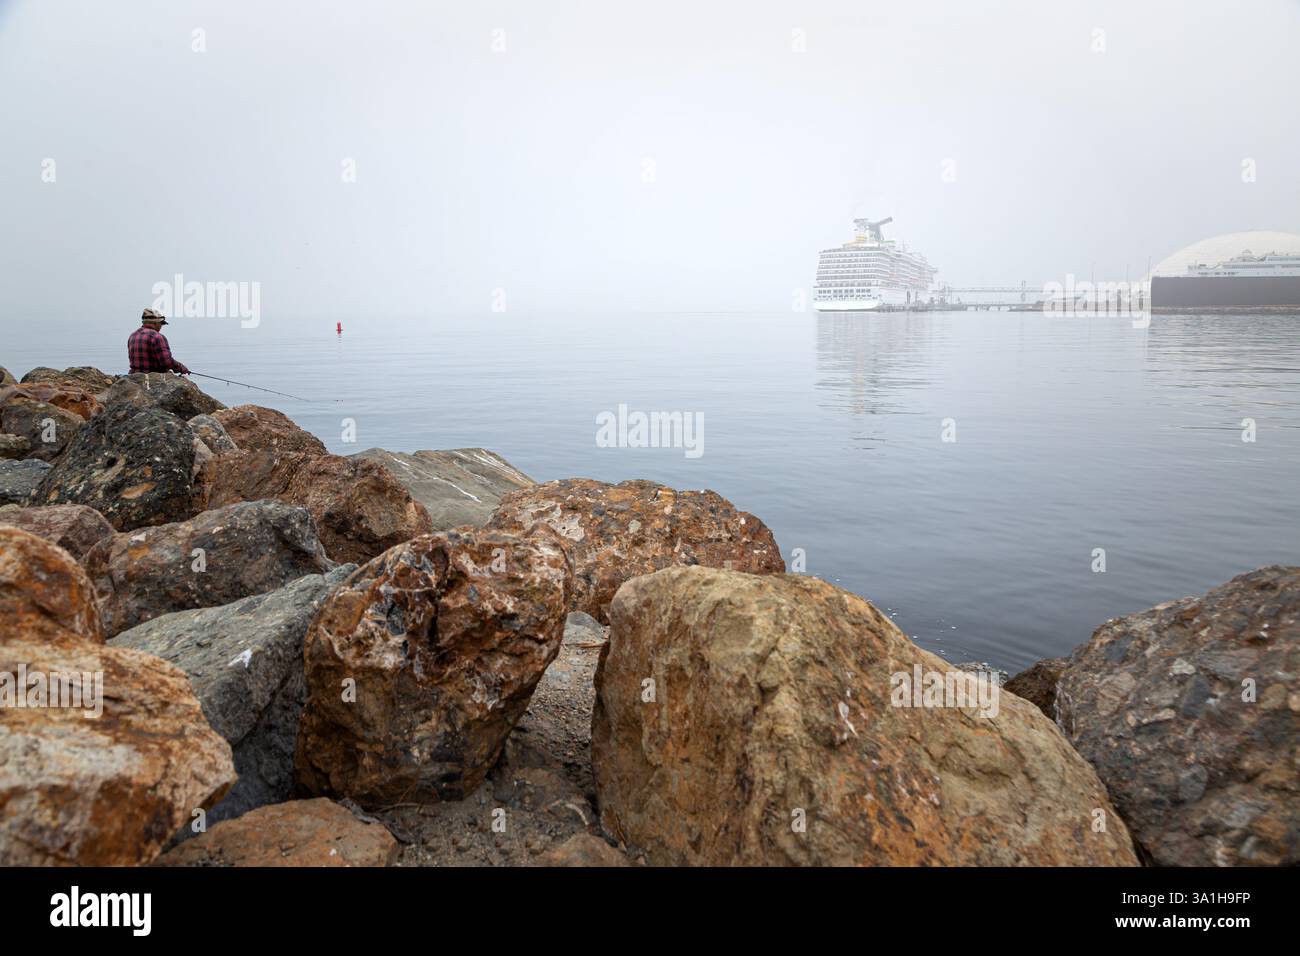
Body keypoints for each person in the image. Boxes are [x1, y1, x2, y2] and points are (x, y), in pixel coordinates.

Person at [127, 308, 190, 375]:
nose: (161, 326)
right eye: (161, 324)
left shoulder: (132, 336)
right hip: (153, 377)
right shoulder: (157, 337)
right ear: (155, 323)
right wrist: (182, 368)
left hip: (134, 376)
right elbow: (167, 363)